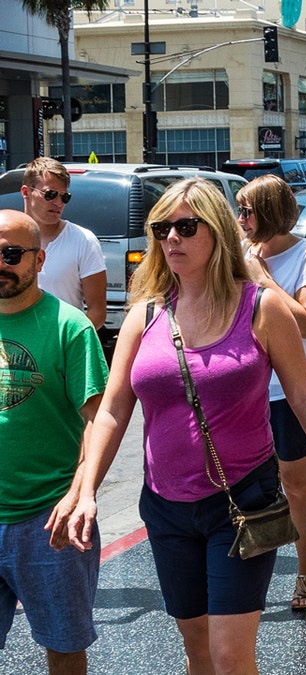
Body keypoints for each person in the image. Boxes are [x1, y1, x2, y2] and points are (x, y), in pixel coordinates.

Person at [65, 179, 306, 671]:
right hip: (165, 507)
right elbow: (114, 410)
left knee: (229, 654)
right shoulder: (145, 315)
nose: (171, 238)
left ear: (217, 232)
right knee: (197, 649)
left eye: (185, 226)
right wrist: (87, 488)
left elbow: (305, 395)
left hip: (240, 502)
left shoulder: (260, 307)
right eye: (162, 228)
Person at [237, 175, 306, 610]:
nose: (240, 219)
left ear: (267, 211)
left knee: (296, 482)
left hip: (295, 386)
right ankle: (248, 575)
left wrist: (261, 278)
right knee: (245, 484)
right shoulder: (240, 254)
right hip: (245, 387)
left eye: (247, 210)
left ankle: (305, 574)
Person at [0, 209, 107, 674]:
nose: (0, 263)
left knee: (64, 649)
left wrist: (78, 494)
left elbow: (98, 421)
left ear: (39, 260)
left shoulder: (70, 328)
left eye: (11, 254)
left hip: (48, 522)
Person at [20, 158, 106, 331]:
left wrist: (66, 345)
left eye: (65, 197)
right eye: (50, 194)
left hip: (61, 350)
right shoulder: (6, 237)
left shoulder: (83, 240)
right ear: (26, 192)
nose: (58, 203)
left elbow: (97, 312)